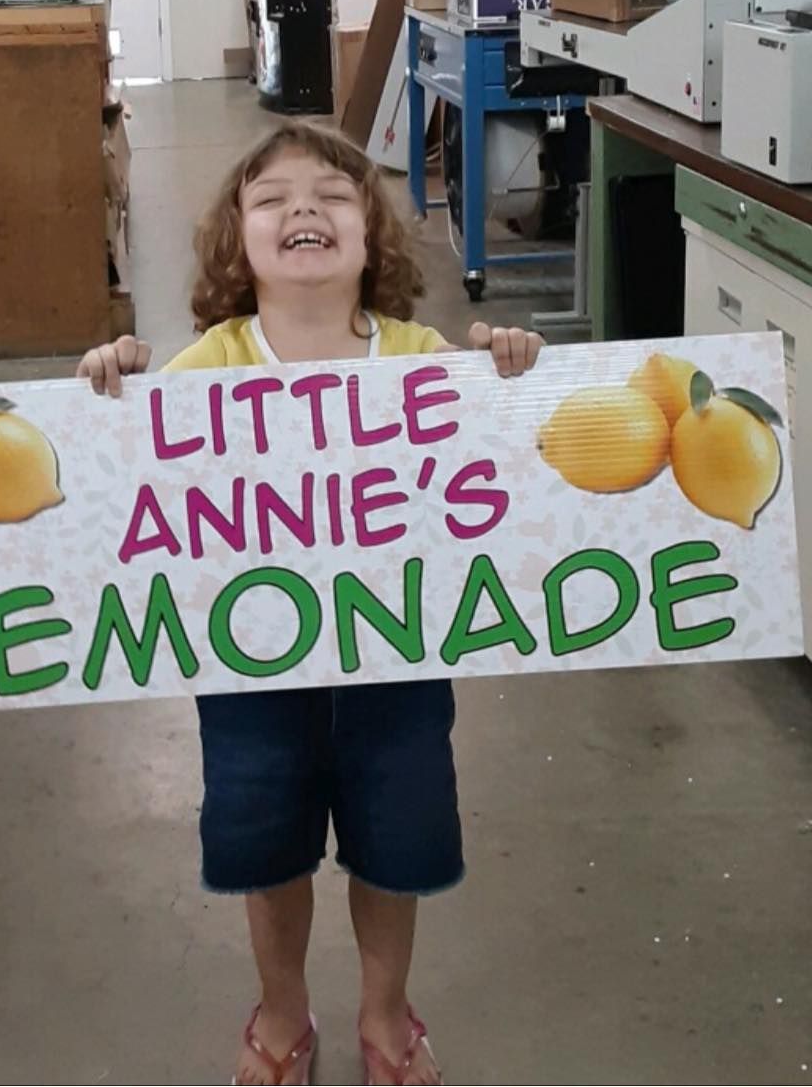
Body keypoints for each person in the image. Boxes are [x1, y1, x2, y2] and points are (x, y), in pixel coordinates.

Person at [78, 121, 543, 1086]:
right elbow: (129, 482)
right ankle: (283, 1009)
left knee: (395, 844)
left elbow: (508, 463)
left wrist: (508, 369)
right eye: (273, 199)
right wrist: (115, 386)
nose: (304, 209)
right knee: (268, 847)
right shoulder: (205, 368)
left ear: (371, 236)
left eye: (333, 196)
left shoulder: (422, 360)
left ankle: (383, 1013)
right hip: (250, 669)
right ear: (235, 246)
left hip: (398, 664)